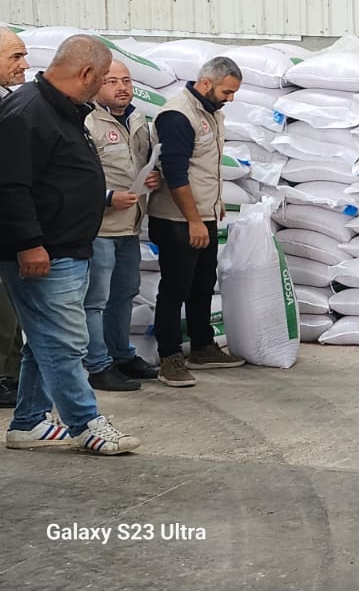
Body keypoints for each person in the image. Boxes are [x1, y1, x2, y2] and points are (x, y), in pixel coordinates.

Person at [0, 35, 141, 453]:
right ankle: (85, 422)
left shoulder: (61, 110)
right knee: (66, 342)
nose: (105, 85)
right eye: (103, 77)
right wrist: (29, 243)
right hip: (45, 251)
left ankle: (28, 422)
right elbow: (10, 186)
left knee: (44, 340)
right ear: (86, 73)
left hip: (67, 247)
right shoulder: (27, 113)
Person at [147, 56, 245, 387]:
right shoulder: (178, 115)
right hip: (177, 220)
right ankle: (169, 358)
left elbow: (204, 167)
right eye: (227, 92)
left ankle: (202, 346)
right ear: (206, 83)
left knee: (203, 283)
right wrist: (193, 221)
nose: (230, 99)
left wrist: (213, 204)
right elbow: (175, 173)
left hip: (202, 214)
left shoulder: (210, 112)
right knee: (175, 288)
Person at [83, 60, 163, 391]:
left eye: (127, 81)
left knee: (124, 293)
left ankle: (121, 355)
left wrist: (154, 177)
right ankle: (97, 365)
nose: (122, 88)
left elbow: (142, 162)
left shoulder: (138, 119)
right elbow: (71, 177)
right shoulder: (87, 121)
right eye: (112, 81)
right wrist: (106, 197)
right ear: (95, 85)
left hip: (130, 226)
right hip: (100, 227)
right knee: (95, 300)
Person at [0, 28, 30, 408]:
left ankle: (12, 372)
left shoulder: (9, 101)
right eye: (15, 57)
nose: (25, 64)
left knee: (12, 304)